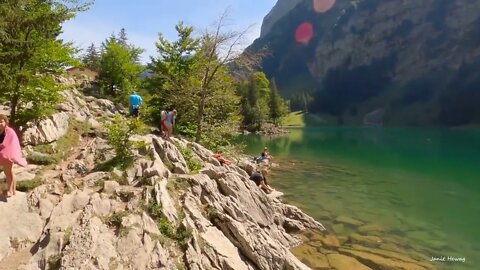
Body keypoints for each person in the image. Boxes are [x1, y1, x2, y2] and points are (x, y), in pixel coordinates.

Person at [0, 114, 27, 197]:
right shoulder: (1, 131)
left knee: (8, 173)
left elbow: (12, 143)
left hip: (8, 155)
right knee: (9, 172)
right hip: (3, 155)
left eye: (1, 122)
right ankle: (13, 191)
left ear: (5, 122)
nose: (0, 124)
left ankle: (10, 191)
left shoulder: (10, 131)